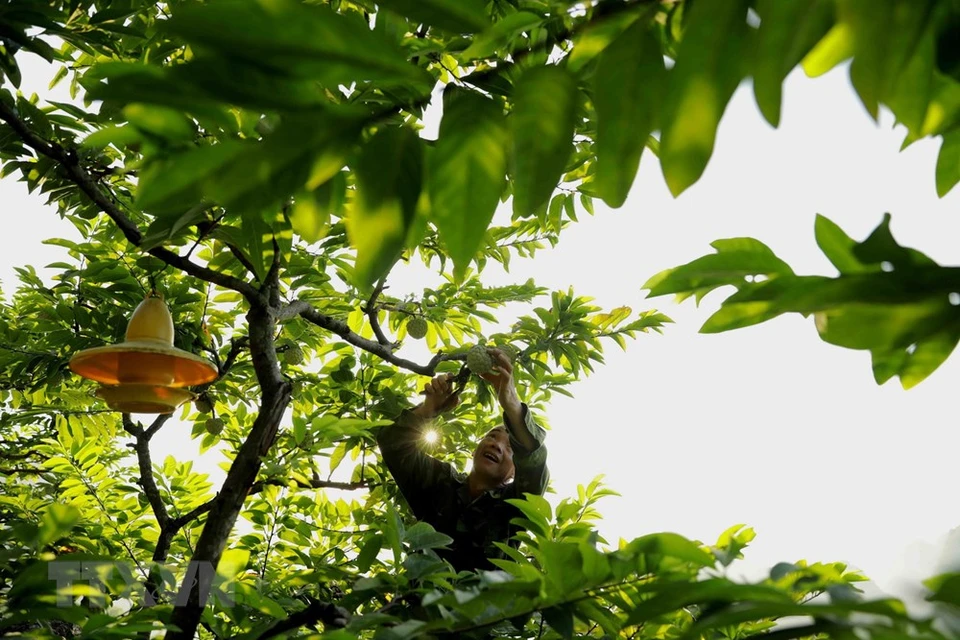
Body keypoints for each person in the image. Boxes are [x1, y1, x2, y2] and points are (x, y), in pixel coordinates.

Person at [377, 349, 549, 572]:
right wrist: (428, 409)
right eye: (492, 436)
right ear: (474, 450)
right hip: (422, 602)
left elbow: (534, 463)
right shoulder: (440, 483)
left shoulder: (514, 506)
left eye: (509, 448)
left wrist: (512, 404)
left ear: (515, 472)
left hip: (485, 605)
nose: (496, 445)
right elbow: (393, 445)